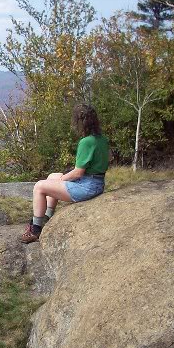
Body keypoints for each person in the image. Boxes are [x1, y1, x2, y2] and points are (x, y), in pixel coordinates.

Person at [19, 104, 109, 244]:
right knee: (51, 177)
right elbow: (107, 159)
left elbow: (78, 173)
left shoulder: (86, 142)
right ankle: (47, 217)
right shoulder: (101, 139)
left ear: (80, 122)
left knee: (39, 187)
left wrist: (63, 178)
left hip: (88, 187)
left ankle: (35, 229)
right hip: (96, 182)